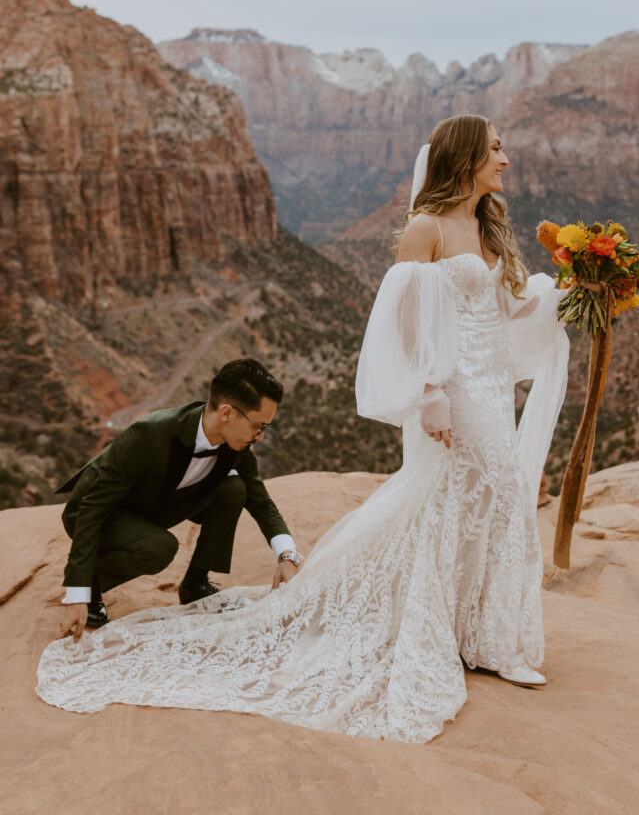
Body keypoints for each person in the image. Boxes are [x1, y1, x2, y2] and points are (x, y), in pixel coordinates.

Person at [37, 115, 569, 745]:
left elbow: (508, 306)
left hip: (492, 382)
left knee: (486, 499)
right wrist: (427, 395)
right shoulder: (425, 229)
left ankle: (481, 635)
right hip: (452, 389)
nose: (505, 158)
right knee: (492, 493)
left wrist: (580, 289)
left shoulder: (486, 226)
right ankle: (467, 635)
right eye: (496, 148)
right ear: (467, 156)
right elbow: (401, 322)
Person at [55, 358, 302, 643]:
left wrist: (287, 555)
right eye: (259, 426)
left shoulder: (237, 447)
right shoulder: (150, 433)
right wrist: (77, 591)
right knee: (160, 547)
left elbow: (261, 502)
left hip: (155, 506)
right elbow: (93, 508)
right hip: (102, 510)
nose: (260, 436)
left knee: (234, 488)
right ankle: (93, 579)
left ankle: (194, 585)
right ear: (226, 413)